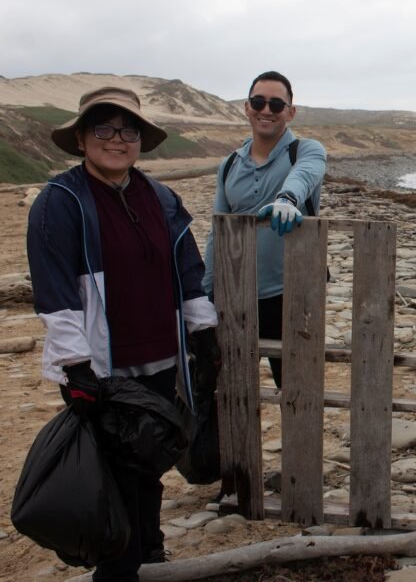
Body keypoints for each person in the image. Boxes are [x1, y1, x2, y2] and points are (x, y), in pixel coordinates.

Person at [27, 87, 220, 580]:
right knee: (113, 474)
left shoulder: (159, 196)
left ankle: (149, 553)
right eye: (103, 128)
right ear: (81, 139)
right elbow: (55, 293)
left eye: (128, 130)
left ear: (140, 140)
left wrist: (202, 333)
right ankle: (118, 569)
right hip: (101, 369)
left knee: (149, 462)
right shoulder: (60, 201)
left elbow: (187, 269)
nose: (117, 139)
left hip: (159, 359)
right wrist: (75, 367)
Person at [202, 71, 327, 388]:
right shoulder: (229, 164)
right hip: (237, 294)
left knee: (298, 392)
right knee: (230, 391)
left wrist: (287, 199)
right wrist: (205, 292)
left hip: (293, 293)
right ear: (247, 107)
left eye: (276, 104)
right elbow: (218, 231)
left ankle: (298, 441)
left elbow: (304, 176)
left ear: (290, 111)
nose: (266, 110)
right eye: (259, 102)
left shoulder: (307, 150)